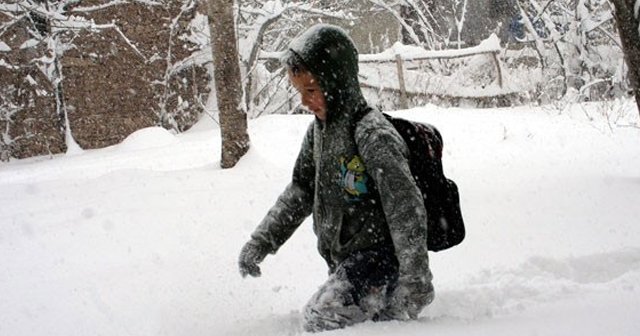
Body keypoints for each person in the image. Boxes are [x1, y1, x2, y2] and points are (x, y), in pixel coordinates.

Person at [238, 24, 434, 332]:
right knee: (340, 319)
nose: (304, 101)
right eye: (300, 92)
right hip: (347, 262)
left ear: (336, 82)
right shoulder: (318, 131)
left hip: (381, 260)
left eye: (311, 90)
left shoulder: (371, 133)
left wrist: (415, 278)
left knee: (322, 317)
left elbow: (405, 208)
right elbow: (301, 190)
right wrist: (263, 240)